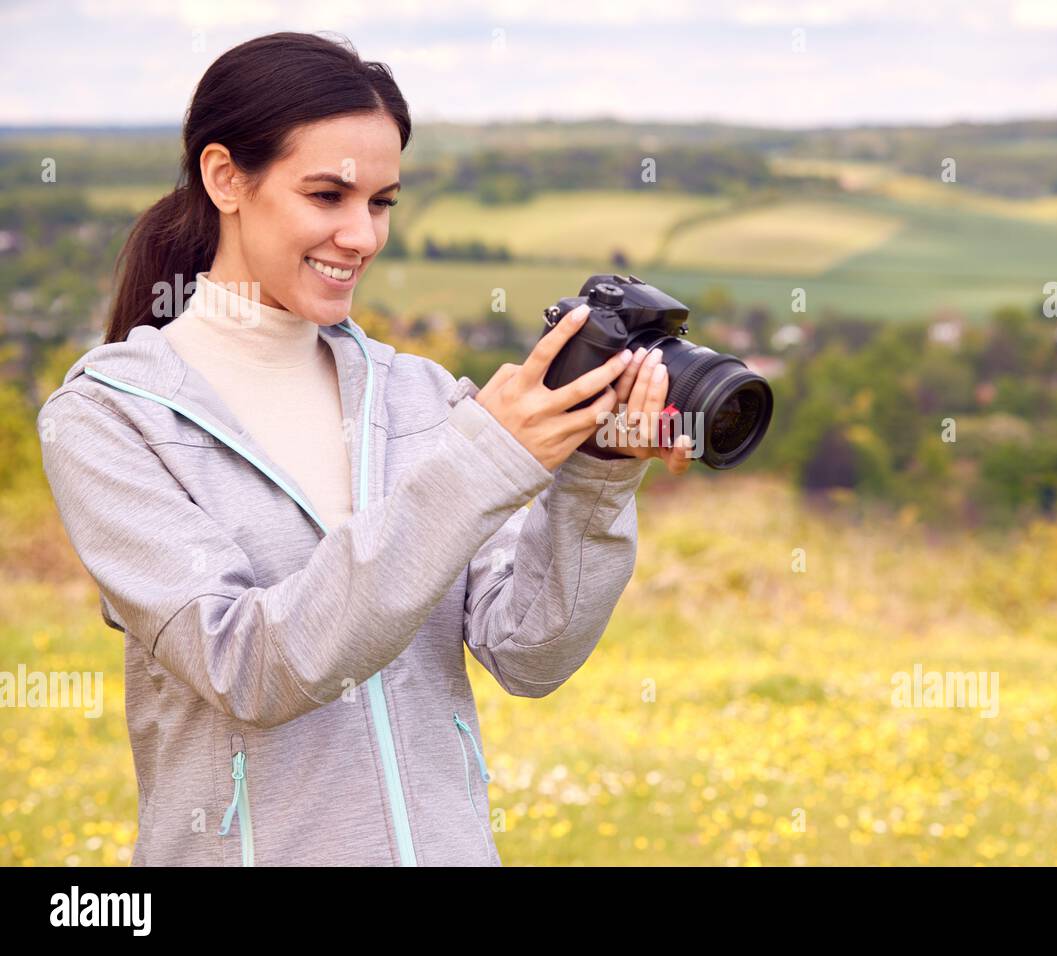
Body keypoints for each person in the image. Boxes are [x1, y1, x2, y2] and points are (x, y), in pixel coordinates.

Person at [37, 31, 693, 866]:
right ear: (225, 177)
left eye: (381, 202)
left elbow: (529, 652)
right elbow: (248, 665)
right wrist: (484, 462)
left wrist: (599, 473)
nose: (362, 236)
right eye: (327, 195)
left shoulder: (417, 396)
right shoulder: (108, 420)